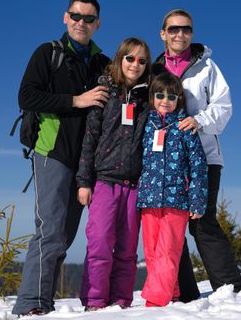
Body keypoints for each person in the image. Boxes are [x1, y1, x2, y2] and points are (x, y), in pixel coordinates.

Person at [12, 0, 110, 317]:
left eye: (88, 18)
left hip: (86, 161)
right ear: (65, 18)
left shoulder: (102, 63)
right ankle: (30, 305)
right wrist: (76, 101)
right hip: (51, 152)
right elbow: (27, 96)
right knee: (50, 229)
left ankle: (44, 302)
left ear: (98, 24)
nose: (81, 22)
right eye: (76, 16)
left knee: (64, 236)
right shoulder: (48, 53)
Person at [152, 9, 241, 301]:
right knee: (172, 222)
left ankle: (230, 288)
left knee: (201, 222)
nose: (180, 34)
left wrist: (200, 120)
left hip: (203, 155)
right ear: (163, 33)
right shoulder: (154, 70)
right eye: (174, 29)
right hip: (166, 160)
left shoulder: (207, 67)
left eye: (187, 29)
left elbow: (224, 106)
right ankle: (185, 294)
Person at [76, 37, 151, 311]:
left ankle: (121, 303)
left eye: (142, 60)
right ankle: (94, 302)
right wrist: (84, 182)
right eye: (130, 58)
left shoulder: (147, 99)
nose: (135, 64)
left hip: (134, 185)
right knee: (99, 244)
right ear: (120, 59)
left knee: (127, 251)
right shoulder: (105, 91)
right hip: (104, 181)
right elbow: (90, 138)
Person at [137, 73, 208, 307]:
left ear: (179, 99)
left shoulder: (184, 127)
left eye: (171, 96)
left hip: (176, 200)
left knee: (168, 250)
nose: (165, 100)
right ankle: (173, 293)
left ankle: (156, 301)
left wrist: (197, 201)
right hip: (148, 199)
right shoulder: (145, 124)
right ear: (152, 97)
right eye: (159, 95)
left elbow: (198, 165)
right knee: (151, 251)